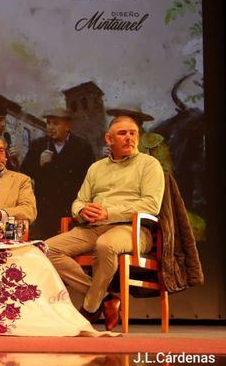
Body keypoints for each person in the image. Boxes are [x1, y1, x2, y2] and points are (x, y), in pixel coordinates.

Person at [45, 116, 165, 331]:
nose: (129, 138)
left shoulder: (149, 164)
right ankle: (106, 298)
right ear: (109, 139)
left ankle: (90, 308)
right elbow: (79, 200)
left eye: (133, 133)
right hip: (93, 227)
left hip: (133, 228)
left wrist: (108, 212)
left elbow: (151, 205)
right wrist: (82, 210)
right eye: (122, 133)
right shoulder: (96, 168)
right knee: (46, 249)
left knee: (106, 244)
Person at [21, 108, 94, 240]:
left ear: (68, 126)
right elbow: (24, 172)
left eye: (55, 123)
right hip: (45, 209)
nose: (50, 127)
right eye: (48, 123)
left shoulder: (82, 146)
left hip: (71, 207)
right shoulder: (38, 145)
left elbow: (91, 177)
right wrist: (39, 163)